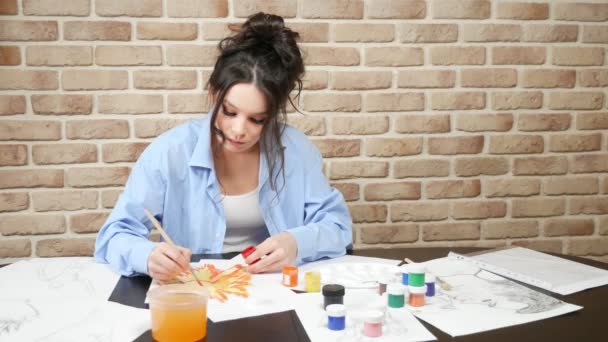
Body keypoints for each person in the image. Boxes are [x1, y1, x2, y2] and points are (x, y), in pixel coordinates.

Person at [94, 12, 353, 281]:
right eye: (229, 112)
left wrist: (296, 243)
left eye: (257, 119)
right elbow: (113, 235)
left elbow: (338, 227)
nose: (239, 130)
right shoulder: (170, 152)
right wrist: (146, 255)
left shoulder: (296, 150)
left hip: (270, 292)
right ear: (213, 94)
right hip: (196, 294)